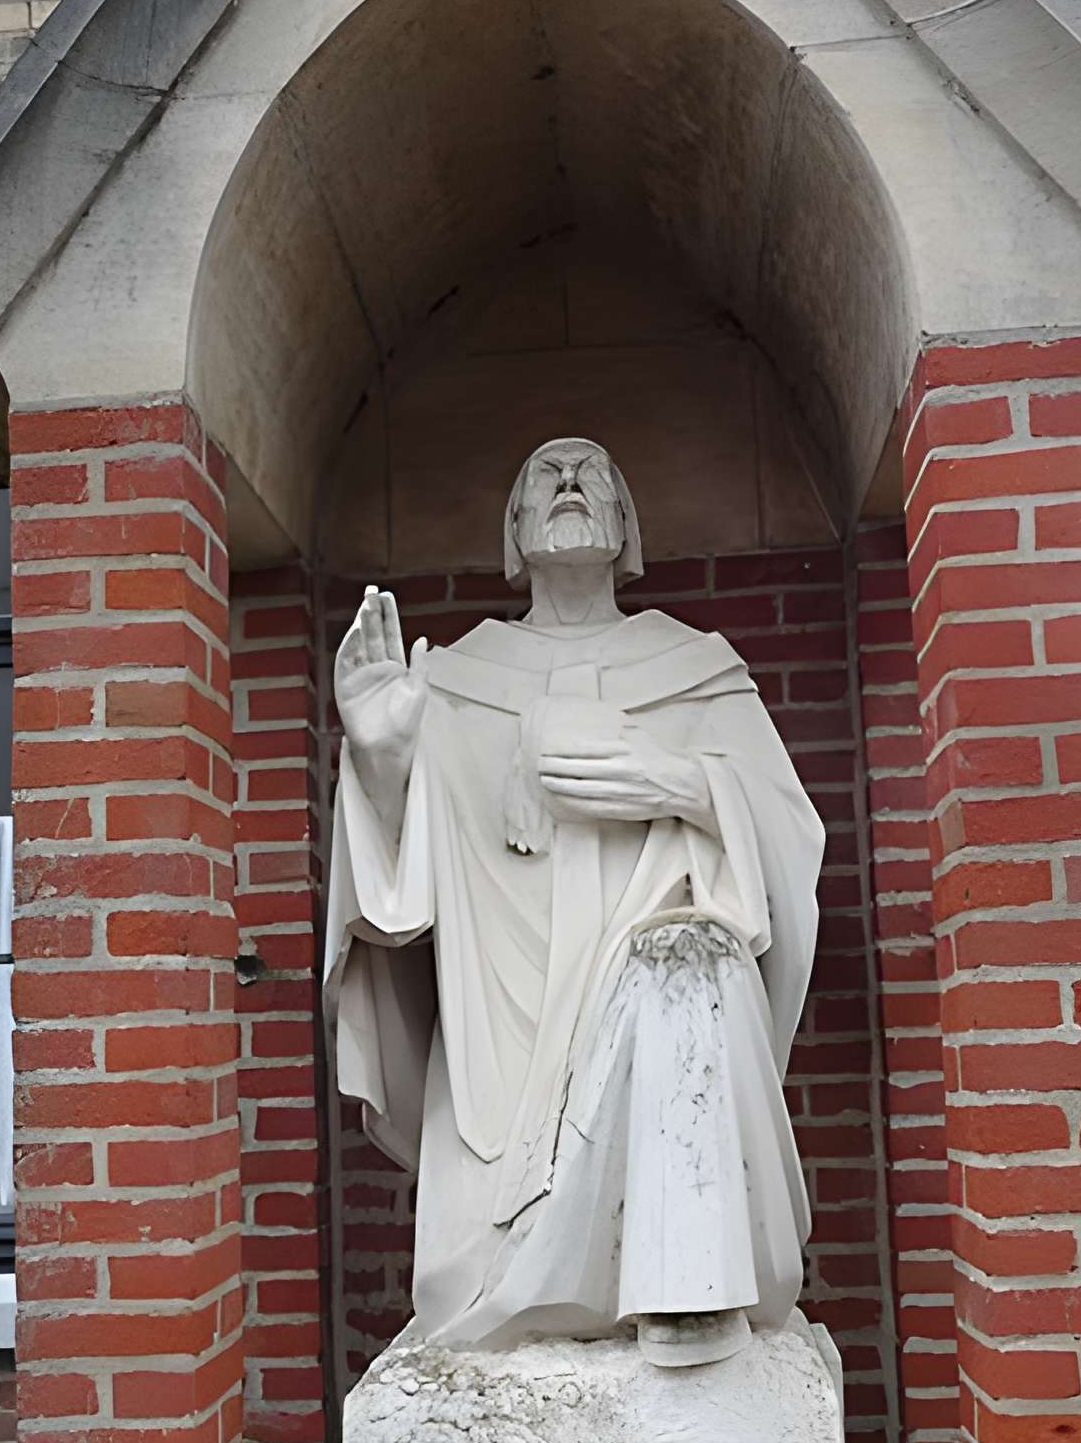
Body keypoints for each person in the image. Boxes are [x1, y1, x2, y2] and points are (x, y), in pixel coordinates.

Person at [325, 438, 823, 1366]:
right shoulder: (455, 682)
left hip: (662, 1001)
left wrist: (676, 781)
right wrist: (382, 758)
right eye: (541, 478)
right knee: (461, 1279)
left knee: (690, 963)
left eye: (590, 472)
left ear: (628, 526)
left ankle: (683, 1274)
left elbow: (788, 843)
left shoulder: (696, 669)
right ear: (513, 535)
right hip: (501, 1042)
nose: (565, 483)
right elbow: (398, 903)